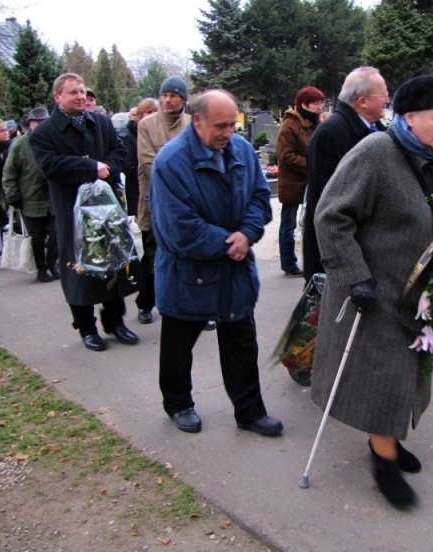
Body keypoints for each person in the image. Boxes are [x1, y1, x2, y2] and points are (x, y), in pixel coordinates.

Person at [312, 75, 433, 509]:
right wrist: (353, 274)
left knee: (410, 375)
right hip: (376, 292)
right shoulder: (376, 153)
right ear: (410, 116)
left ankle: (389, 441)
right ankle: (383, 462)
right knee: (384, 377)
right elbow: (331, 216)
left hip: (420, 292)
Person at [149, 89, 282, 437]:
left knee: (241, 343)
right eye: (221, 126)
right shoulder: (170, 162)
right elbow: (178, 227)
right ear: (198, 121)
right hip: (187, 272)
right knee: (179, 344)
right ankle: (178, 403)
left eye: (232, 124)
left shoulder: (240, 150)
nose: (229, 133)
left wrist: (247, 233)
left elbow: (259, 197)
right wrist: (229, 243)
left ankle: (250, 412)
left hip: (233, 269)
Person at [30, 73, 139, 352]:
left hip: (105, 210)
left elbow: (120, 153)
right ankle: (87, 328)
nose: (80, 96)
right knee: (78, 271)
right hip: (72, 212)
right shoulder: (44, 133)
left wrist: (106, 169)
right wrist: (90, 168)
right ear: (58, 97)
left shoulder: (100, 122)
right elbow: (51, 166)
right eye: (73, 92)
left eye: (82, 91)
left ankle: (115, 322)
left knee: (113, 263)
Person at [303, 66, 389, 281]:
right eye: (384, 94)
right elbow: (326, 206)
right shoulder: (331, 134)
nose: (387, 100)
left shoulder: (376, 128)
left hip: (370, 249)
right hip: (343, 258)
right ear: (362, 101)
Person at [135, 76, 191, 325]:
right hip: (154, 204)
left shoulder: (192, 124)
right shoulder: (147, 125)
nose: (167, 100)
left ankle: (190, 305)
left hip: (188, 206)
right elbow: (149, 163)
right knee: (153, 258)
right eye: (164, 95)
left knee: (189, 257)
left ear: (183, 99)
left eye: (173, 95)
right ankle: (146, 303)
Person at [3, 106, 59, 283]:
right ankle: (41, 269)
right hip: (31, 199)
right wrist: (12, 193)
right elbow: (9, 172)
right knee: (36, 237)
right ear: (30, 124)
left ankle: (52, 264)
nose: (41, 125)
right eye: (37, 122)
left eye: (44, 122)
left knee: (56, 235)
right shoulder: (20, 144)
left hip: (52, 198)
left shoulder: (54, 140)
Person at [275, 86, 325, 277]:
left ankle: (312, 262)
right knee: (288, 225)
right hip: (292, 184)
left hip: (310, 182)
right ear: (304, 104)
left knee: (310, 224)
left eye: (321, 102)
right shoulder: (290, 124)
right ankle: (288, 263)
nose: (320, 106)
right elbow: (285, 155)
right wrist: (311, 164)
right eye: (316, 102)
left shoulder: (313, 123)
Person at [118, 97, 158, 218]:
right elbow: (128, 166)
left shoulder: (160, 133)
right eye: (148, 112)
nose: (152, 115)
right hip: (139, 190)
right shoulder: (127, 136)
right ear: (140, 115)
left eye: (155, 111)